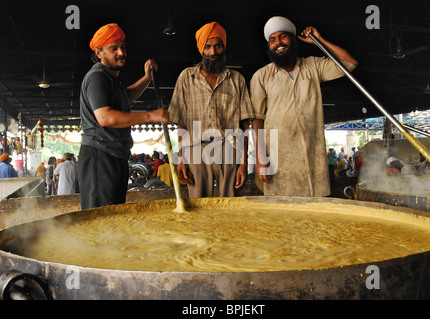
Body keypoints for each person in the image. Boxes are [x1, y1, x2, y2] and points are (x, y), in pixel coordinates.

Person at [250, 16, 357, 196]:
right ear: (269, 46)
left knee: (314, 212)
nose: (278, 43)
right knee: (282, 212)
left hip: (312, 154)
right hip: (279, 157)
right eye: (273, 40)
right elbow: (257, 120)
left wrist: (319, 40)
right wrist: (261, 159)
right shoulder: (261, 76)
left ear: (292, 39)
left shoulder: (313, 66)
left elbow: (349, 63)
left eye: (283, 36)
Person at [79, 23, 169, 209]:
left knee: (114, 211)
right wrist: (150, 116)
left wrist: (146, 77)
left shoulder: (111, 77)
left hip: (114, 154)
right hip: (100, 156)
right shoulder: (98, 77)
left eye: (123, 47)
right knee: (102, 215)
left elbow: (126, 97)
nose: (121, 52)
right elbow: (105, 117)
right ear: (99, 53)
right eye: (114, 49)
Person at [169, 21, 255, 198]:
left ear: (224, 47)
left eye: (217, 46)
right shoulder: (187, 77)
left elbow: (246, 124)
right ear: (201, 49)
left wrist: (243, 163)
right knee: (198, 205)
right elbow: (181, 123)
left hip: (229, 149)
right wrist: (181, 159)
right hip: (196, 150)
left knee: (229, 205)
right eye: (207, 47)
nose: (212, 52)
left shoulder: (237, 79)